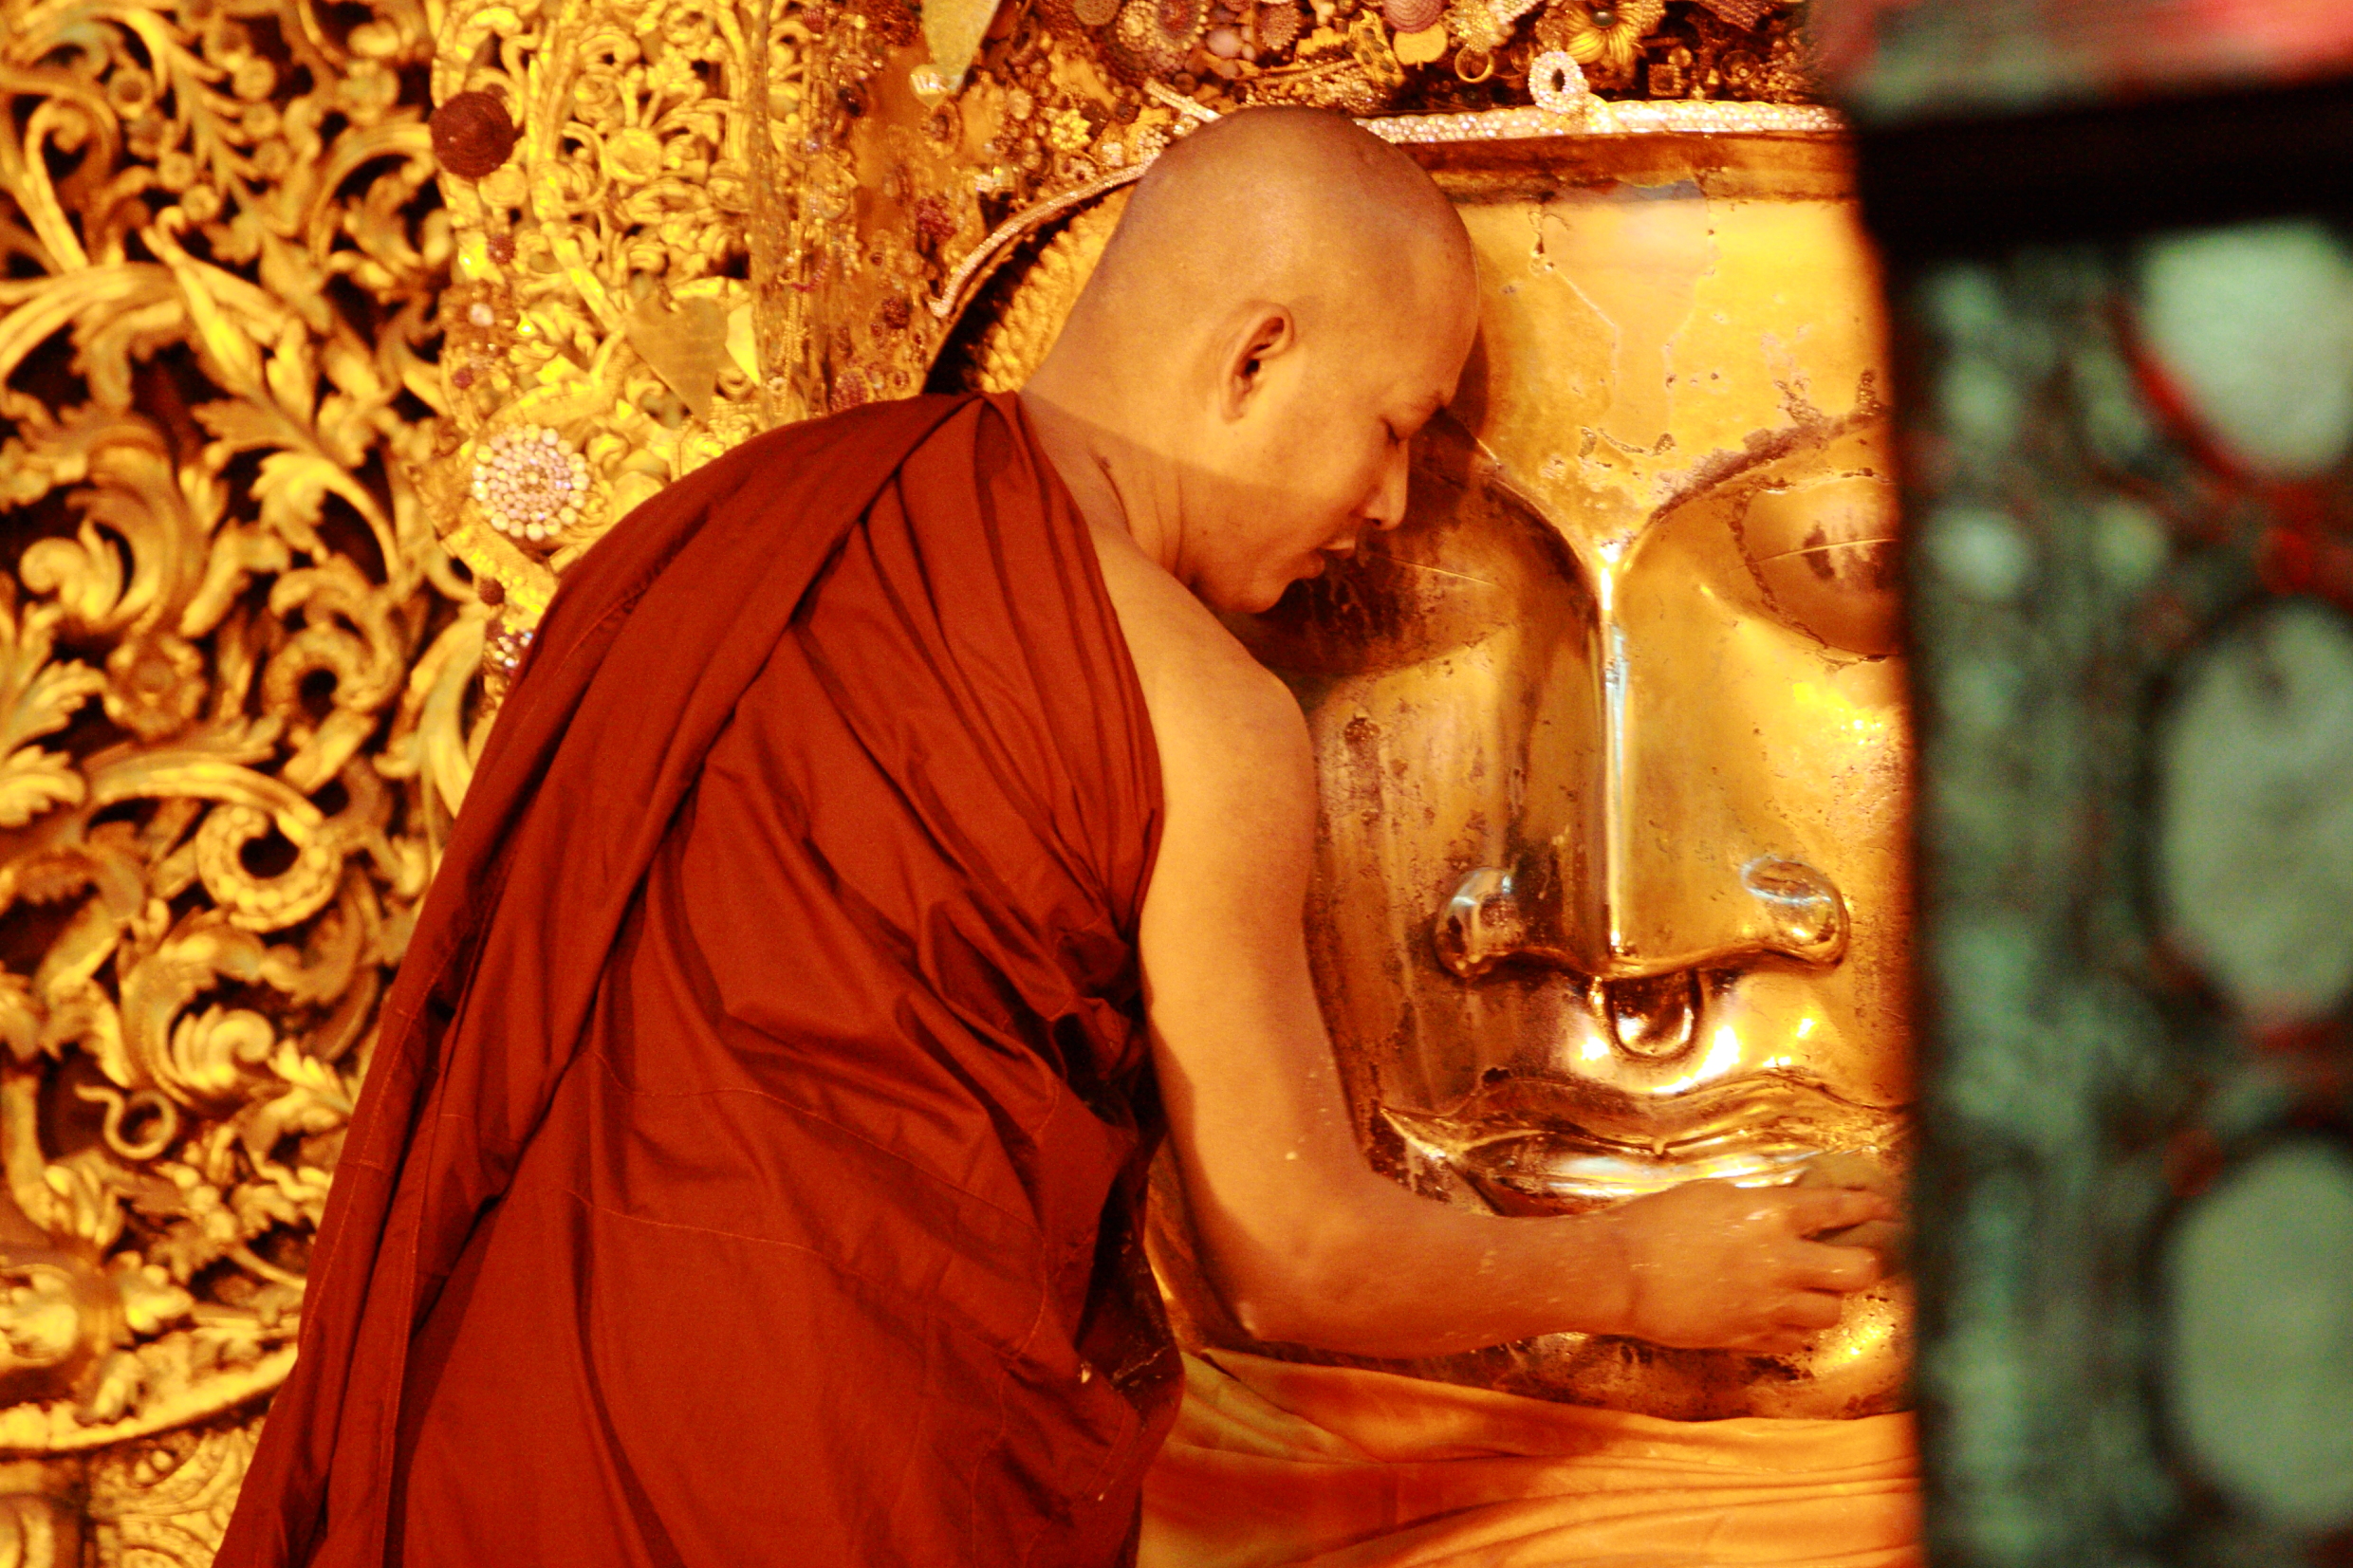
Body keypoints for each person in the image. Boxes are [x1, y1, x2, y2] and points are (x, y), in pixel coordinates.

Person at [214, 107, 1890, 1568]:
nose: (1385, 509)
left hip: (510, 1424)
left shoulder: (719, 533)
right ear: (1255, 357)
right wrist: (1643, 1270)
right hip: (825, 1472)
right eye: (1395, 432)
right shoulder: (1196, 709)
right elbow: (1291, 1256)